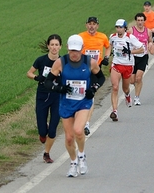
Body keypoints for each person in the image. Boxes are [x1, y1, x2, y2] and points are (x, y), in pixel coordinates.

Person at [44, 34, 105, 177]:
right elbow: (48, 82)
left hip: (83, 102)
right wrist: (59, 89)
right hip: (66, 103)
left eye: (77, 51)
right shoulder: (61, 62)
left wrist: (93, 89)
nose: (74, 54)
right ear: (67, 48)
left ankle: (82, 156)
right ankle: (73, 163)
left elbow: (101, 77)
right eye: (71, 50)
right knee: (69, 137)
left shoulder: (90, 62)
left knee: (78, 130)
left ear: (82, 49)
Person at [26, 34, 62, 163]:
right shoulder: (41, 60)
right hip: (42, 95)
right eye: (52, 45)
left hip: (57, 96)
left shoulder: (64, 61)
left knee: (52, 130)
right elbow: (29, 73)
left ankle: (46, 153)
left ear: (60, 47)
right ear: (48, 46)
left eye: (56, 45)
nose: (54, 47)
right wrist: (36, 77)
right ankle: (43, 132)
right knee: (42, 131)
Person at [78, 16, 111, 136]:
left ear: (97, 26)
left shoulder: (102, 36)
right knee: (80, 94)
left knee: (90, 95)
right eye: (89, 24)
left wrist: (106, 57)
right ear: (86, 25)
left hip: (95, 70)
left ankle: (86, 123)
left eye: (94, 24)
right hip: (81, 69)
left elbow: (108, 47)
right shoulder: (80, 37)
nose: (92, 26)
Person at [108, 19, 144, 121]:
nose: (119, 29)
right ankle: (115, 111)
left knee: (125, 88)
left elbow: (142, 49)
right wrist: (109, 54)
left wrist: (130, 51)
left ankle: (127, 95)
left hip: (128, 65)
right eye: (117, 27)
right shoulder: (112, 37)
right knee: (115, 87)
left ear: (125, 28)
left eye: (121, 27)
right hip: (116, 64)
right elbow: (109, 46)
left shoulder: (130, 37)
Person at [128, 13, 154, 106]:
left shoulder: (148, 31)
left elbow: (150, 40)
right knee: (132, 80)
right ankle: (136, 86)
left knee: (139, 78)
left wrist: (151, 44)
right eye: (138, 20)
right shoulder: (131, 31)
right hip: (133, 57)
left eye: (141, 20)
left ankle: (137, 97)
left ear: (144, 21)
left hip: (143, 56)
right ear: (136, 21)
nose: (140, 22)